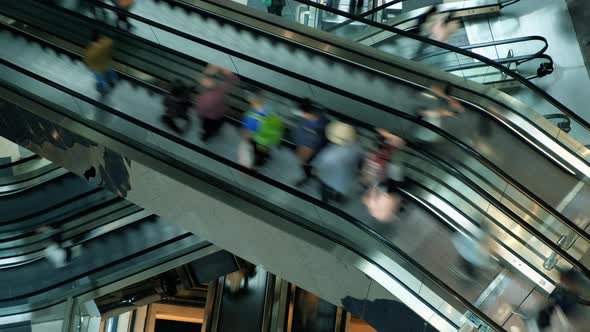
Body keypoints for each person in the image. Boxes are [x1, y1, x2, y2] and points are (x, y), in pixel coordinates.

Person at [313, 121, 362, 203]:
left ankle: (325, 200)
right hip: (343, 178)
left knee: (325, 189)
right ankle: (338, 198)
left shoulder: (329, 153)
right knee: (337, 189)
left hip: (327, 178)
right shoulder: (356, 147)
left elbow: (318, 167)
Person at [195, 64, 238, 142]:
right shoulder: (220, 91)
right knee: (214, 126)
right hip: (218, 115)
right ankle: (209, 134)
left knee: (207, 127)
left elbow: (200, 111)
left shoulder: (204, 95)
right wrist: (225, 71)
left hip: (209, 117)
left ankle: (206, 135)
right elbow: (232, 80)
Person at [242, 91, 284, 169]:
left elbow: (247, 133)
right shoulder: (270, 109)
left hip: (260, 140)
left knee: (259, 153)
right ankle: (265, 156)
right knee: (264, 150)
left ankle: (257, 164)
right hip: (270, 138)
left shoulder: (252, 116)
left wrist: (247, 139)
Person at [293, 98, 328, 187]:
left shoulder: (317, 125)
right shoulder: (320, 117)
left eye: (302, 113)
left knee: (310, 166)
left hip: (314, 152)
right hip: (311, 150)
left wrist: (303, 159)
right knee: (307, 167)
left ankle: (313, 176)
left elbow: (312, 144)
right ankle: (309, 175)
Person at [84, 31, 117, 95]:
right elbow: (110, 44)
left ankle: (102, 90)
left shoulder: (91, 51)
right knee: (109, 73)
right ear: (99, 37)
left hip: (97, 68)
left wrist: (90, 67)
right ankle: (110, 82)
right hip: (106, 64)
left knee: (100, 80)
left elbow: (87, 60)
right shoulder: (107, 42)